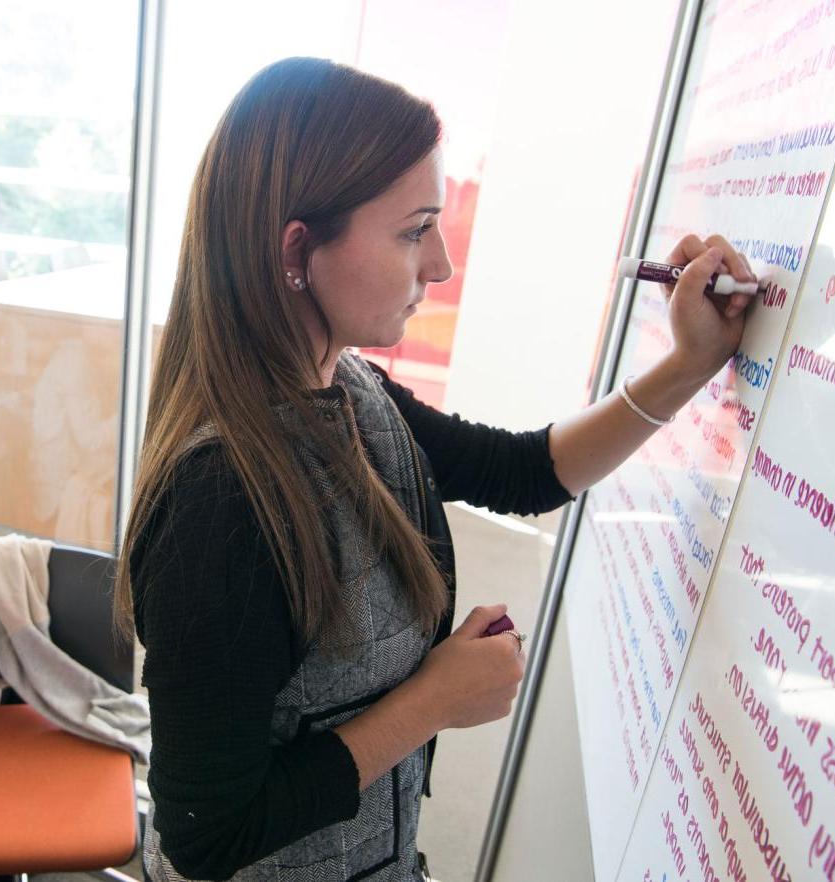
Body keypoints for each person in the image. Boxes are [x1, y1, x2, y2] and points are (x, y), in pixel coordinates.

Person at [116, 57, 756, 882]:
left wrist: (689, 364)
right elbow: (209, 833)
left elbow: (526, 471)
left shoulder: (348, 389)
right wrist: (429, 704)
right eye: (415, 229)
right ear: (299, 250)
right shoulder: (221, 501)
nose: (442, 266)